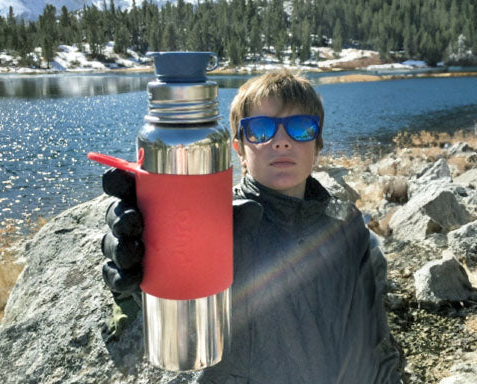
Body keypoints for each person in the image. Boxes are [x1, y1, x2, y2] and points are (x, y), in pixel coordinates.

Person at [100, 70, 401, 383]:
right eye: (260, 130)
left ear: (318, 144)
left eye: (300, 128)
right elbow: (180, 318)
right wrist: (144, 267)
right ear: (239, 150)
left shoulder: (346, 225)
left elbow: (372, 337)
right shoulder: (222, 227)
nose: (281, 142)